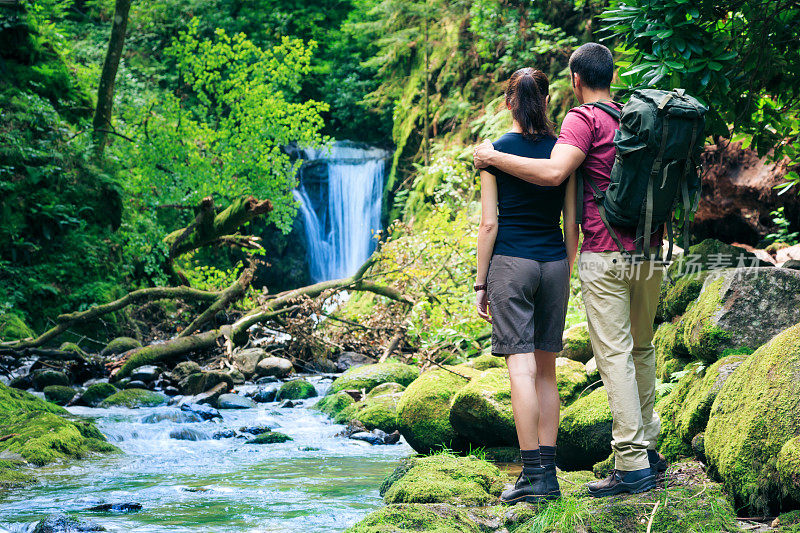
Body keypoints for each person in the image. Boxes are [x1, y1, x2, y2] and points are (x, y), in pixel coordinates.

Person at [473, 43, 668, 498]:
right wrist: (565, 259)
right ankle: (648, 451)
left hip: (592, 252)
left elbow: (528, 197)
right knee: (638, 350)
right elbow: (568, 212)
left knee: (602, 357)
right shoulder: (631, 118)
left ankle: (592, 469)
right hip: (647, 250)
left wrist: (492, 158)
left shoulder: (578, 124)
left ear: (575, 80)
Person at [474, 67, 579, 504]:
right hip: (554, 262)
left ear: (508, 102)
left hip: (511, 264)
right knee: (547, 370)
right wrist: (565, 269)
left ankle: (532, 475)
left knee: (521, 368)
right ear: (547, 101)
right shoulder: (564, 152)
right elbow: (571, 221)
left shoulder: (492, 151)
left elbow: (488, 223)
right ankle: (549, 476)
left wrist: (481, 283)